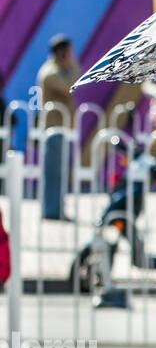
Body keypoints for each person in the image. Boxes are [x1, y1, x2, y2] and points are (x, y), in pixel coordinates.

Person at [37, 34, 79, 220]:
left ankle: (57, 209)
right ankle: (51, 211)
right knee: (53, 172)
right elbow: (70, 85)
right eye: (68, 52)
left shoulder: (59, 70)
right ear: (60, 53)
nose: (71, 56)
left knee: (61, 172)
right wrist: (72, 64)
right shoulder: (50, 73)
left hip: (61, 129)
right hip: (53, 129)